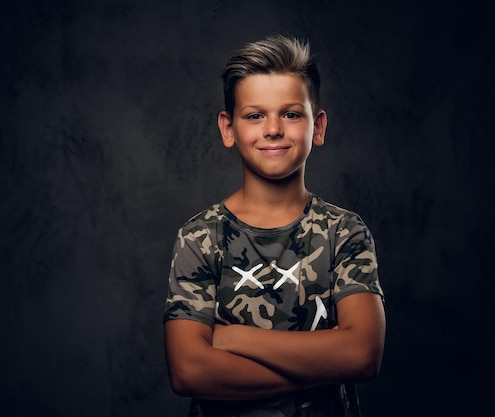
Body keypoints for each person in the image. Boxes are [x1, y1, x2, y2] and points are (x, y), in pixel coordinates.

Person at [163, 35, 385, 417]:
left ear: (317, 126)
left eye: (291, 113)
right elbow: (189, 371)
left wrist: (234, 338)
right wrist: (324, 366)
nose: (272, 129)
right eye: (254, 115)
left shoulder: (343, 232)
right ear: (228, 128)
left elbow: (362, 354)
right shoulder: (201, 237)